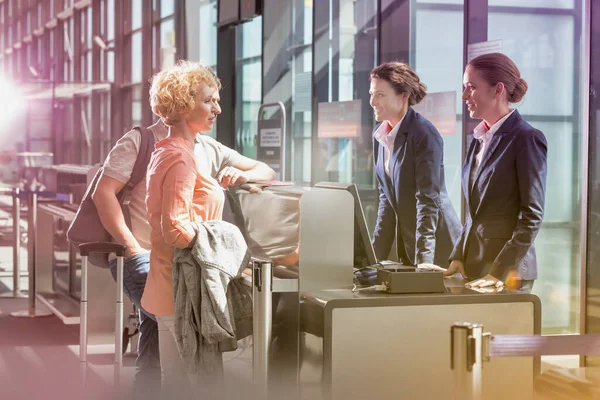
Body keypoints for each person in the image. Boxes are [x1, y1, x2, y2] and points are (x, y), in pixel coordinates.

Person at [92, 61, 274, 397]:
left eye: (217, 100)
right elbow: (110, 197)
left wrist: (244, 177)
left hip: (173, 262)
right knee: (186, 364)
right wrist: (133, 247)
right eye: (209, 100)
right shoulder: (161, 148)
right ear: (182, 103)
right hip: (155, 259)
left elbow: (267, 171)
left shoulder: (200, 148)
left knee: (163, 346)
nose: (217, 108)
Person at [444, 53, 547, 292]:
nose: (464, 96)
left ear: (497, 89)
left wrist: (499, 272)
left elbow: (531, 215)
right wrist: (459, 254)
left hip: (507, 274)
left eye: (471, 87)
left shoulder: (526, 138)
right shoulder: (479, 138)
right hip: (475, 265)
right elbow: (476, 212)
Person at [369, 61, 461, 268]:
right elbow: (387, 200)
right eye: (371, 94)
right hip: (410, 245)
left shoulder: (423, 133)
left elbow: (427, 199)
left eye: (380, 95)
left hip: (437, 246)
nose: (373, 101)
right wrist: (374, 257)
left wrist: (424, 260)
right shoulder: (381, 136)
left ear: (404, 96)